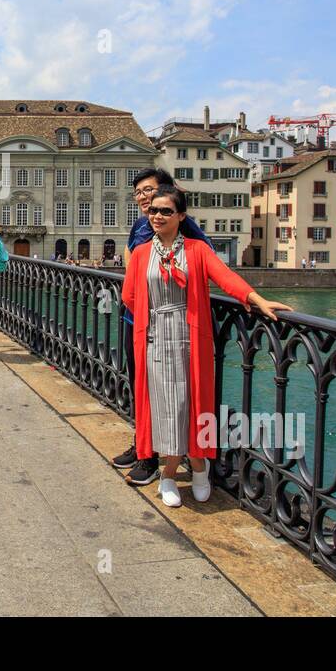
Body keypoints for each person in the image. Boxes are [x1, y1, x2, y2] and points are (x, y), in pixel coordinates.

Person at [122, 185, 292, 505]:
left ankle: (197, 465)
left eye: (165, 211)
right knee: (164, 406)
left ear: (181, 216)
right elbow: (129, 295)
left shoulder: (198, 250)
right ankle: (174, 471)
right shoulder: (143, 252)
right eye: (153, 211)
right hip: (156, 338)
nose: (157, 216)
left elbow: (226, 278)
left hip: (190, 337)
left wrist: (256, 299)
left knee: (191, 404)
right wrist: (153, 317)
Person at [113, 168, 217, 478]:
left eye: (149, 191)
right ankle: (143, 444)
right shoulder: (140, 226)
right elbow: (131, 257)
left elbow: (207, 255)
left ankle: (159, 458)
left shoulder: (184, 228)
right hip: (137, 320)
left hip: (173, 327)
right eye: (139, 194)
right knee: (141, 386)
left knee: (170, 391)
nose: (144, 198)